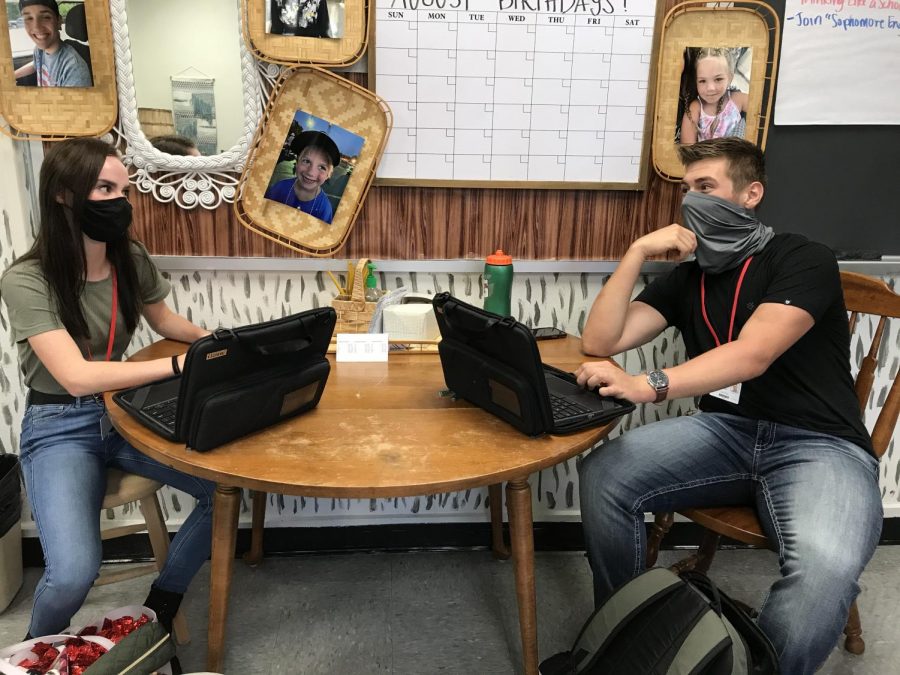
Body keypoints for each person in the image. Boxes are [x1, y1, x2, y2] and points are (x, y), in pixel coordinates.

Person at [575, 137, 880, 675]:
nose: (693, 201)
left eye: (707, 187)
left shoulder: (801, 257)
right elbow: (600, 342)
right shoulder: (690, 277)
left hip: (820, 445)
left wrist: (646, 385)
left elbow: (753, 354)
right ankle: (632, 636)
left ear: (750, 193)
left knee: (825, 570)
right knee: (605, 474)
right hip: (728, 432)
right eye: (688, 190)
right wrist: (636, 253)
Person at [0, 138, 214, 646]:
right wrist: (176, 366)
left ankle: (161, 604)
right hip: (59, 425)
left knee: (221, 491)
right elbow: (75, 377)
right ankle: (37, 651)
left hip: (123, 413)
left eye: (124, 189)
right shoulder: (26, 278)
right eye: (104, 188)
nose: (122, 200)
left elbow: (164, 319)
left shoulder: (129, 257)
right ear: (63, 195)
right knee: (74, 573)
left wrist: (217, 343)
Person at [264, 130, 339, 224]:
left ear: (329, 174)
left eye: (322, 167)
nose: (311, 172)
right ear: (297, 161)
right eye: (306, 161)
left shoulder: (324, 209)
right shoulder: (279, 188)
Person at [13, 0, 92, 88]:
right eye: (29, 18)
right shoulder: (39, 50)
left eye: (46, 17)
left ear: (59, 21)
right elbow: (36, 64)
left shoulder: (75, 69)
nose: (37, 27)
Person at [680, 48, 748, 144]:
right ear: (696, 82)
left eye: (718, 79)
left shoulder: (738, 99)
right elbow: (686, 147)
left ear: (730, 78)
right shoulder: (695, 108)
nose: (711, 88)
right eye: (702, 81)